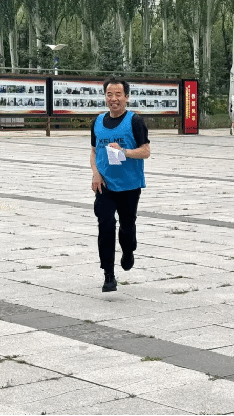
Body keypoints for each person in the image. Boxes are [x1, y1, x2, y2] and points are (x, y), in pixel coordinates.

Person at [91, 76, 151, 293]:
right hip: (105, 184)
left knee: (127, 226)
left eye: (118, 94)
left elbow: (145, 151)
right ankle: (108, 274)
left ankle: (128, 250)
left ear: (126, 97)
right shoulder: (98, 122)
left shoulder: (135, 121)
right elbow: (94, 151)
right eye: (109, 94)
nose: (114, 99)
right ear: (105, 97)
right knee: (105, 225)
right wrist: (96, 174)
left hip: (129, 185)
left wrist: (124, 151)